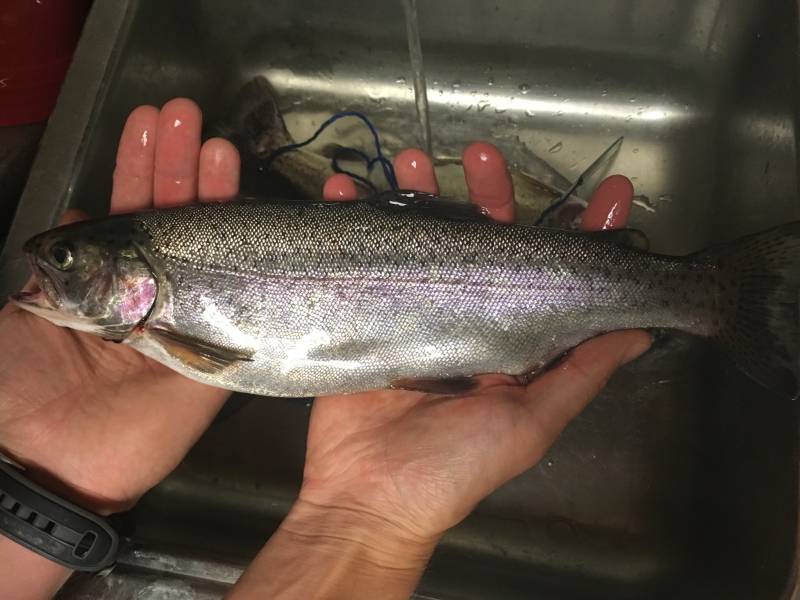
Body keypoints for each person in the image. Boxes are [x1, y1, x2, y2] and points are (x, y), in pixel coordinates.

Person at [0, 98, 650, 599]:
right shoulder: (156, 328)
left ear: (131, 272)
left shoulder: (161, 330)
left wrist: (32, 478)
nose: (51, 269)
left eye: (65, 259)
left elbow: (217, 359)